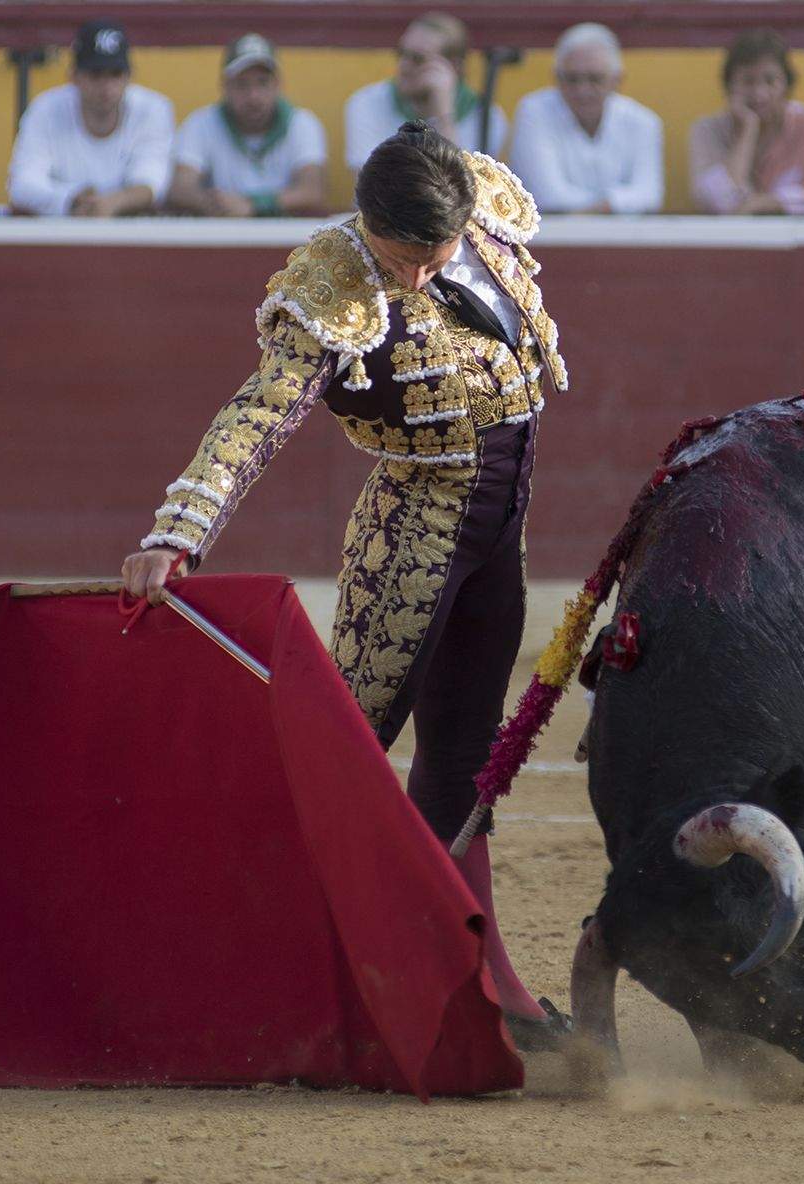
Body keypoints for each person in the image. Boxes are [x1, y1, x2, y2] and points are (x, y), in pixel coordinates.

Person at [120, 122, 570, 1051]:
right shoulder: (331, 285)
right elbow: (261, 410)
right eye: (398, 257)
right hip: (412, 537)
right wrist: (178, 532)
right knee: (348, 756)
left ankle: (483, 982)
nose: (412, 278)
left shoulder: (476, 208)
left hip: (496, 542)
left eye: (431, 257)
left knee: (467, 761)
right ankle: (242, 972)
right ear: (367, 224)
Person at [6, 22, 174, 218]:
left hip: (131, 235)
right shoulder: (45, 109)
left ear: (129, 77)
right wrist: (72, 199)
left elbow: (152, 182)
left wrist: (111, 203)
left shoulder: (153, 109)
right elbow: (22, 184)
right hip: (59, 234)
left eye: (115, 74)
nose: (106, 87)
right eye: (96, 74)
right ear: (73, 76)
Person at [508, 23, 663, 215]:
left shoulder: (643, 121)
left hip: (625, 239)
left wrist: (600, 205)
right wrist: (615, 203)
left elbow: (650, 195)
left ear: (618, 81)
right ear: (555, 77)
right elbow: (546, 196)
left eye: (595, 79)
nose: (583, 90)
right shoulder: (533, 111)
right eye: (572, 79)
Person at [167, 33, 328, 218]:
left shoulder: (302, 123)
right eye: (242, 84)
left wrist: (252, 205)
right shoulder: (201, 122)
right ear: (225, 86)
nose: (253, 96)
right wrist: (218, 204)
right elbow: (180, 189)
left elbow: (313, 191)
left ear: (278, 85)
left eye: (262, 82)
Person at [689, 28, 804, 215]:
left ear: (787, 85)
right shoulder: (707, 130)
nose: (759, 93)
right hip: (729, 240)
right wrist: (748, 130)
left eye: (770, 81)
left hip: (795, 239)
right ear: (729, 86)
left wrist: (763, 204)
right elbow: (719, 202)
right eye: (748, 81)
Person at [343, 13, 507, 174]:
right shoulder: (367, 102)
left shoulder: (488, 117)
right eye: (401, 53)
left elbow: (465, 192)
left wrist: (442, 116)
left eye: (417, 59)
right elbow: (374, 185)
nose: (403, 66)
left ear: (453, 66)